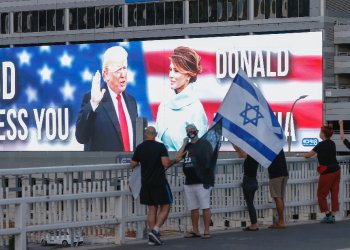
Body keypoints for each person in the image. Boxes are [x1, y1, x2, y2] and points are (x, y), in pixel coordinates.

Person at [75, 46, 138, 151]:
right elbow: (81, 137)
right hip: (106, 166)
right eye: (118, 70)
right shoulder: (93, 99)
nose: (123, 74)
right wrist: (93, 104)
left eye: (125, 68)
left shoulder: (131, 102)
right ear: (106, 74)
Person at [130, 126, 180, 246]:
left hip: (146, 182)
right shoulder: (160, 147)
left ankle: (152, 237)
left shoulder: (140, 147)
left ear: (146, 134)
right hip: (159, 181)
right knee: (166, 205)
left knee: (152, 209)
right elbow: (165, 163)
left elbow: (133, 164)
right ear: (155, 134)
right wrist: (175, 161)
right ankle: (155, 230)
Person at [156, 46, 208, 151]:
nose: (170, 75)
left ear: (188, 75)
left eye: (176, 71)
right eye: (170, 69)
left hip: (185, 166)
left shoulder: (196, 109)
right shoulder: (164, 105)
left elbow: (200, 150)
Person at [176, 124, 212, 239]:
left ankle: (206, 230)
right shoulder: (187, 146)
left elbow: (210, 159)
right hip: (189, 181)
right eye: (188, 130)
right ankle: (195, 230)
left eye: (192, 130)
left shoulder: (205, 144)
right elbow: (177, 158)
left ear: (197, 131)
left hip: (201, 181)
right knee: (193, 208)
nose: (190, 132)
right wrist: (184, 144)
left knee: (205, 206)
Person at [299, 125, 340, 223]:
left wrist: (300, 155)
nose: (319, 133)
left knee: (321, 194)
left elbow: (309, 154)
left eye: (320, 131)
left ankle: (327, 214)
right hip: (337, 170)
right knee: (334, 193)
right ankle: (333, 216)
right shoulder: (332, 143)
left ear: (323, 134)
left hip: (327, 172)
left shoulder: (321, 144)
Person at [232, 145, 259, 231]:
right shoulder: (256, 156)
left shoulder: (249, 156)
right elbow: (240, 154)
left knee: (250, 204)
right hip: (254, 180)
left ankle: (254, 224)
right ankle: (254, 223)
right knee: (251, 203)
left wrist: (232, 141)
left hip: (248, 181)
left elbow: (239, 151)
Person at [267, 150, 289, 229]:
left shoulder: (269, 147)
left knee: (277, 197)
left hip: (275, 174)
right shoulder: (278, 145)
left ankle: (281, 221)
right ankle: (281, 220)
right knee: (281, 197)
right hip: (284, 173)